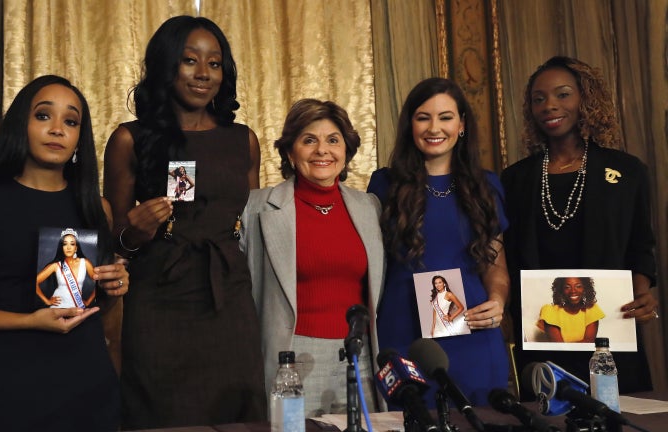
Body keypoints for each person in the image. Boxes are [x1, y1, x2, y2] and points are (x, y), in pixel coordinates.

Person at [103, 15, 266, 428]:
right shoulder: (130, 138)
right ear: (166, 65)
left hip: (229, 298)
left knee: (238, 414)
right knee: (161, 415)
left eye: (214, 63)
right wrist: (135, 231)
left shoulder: (242, 140)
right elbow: (116, 244)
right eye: (190, 60)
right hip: (159, 299)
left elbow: (247, 224)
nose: (203, 73)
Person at [0, 75, 128, 431]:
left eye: (71, 121)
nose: (57, 129)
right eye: (44, 116)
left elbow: (97, 309)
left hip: (90, 386)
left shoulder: (98, 208)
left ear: (80, 137)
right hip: (12, 385)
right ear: (21, 125)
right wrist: (27, 321)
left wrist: (115, 286)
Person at [501, 56, 658, 395]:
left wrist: (643, 292)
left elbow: (640, 246)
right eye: (538, 99)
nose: (550, 106)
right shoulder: (515, 179)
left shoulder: (627, 172)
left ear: (585, 99)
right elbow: (507, 256)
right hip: (543, 335)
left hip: (609, 332)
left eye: (563, 94)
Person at [368, 77, 510, 407]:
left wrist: (498, 300)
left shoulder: (485, 185)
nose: (435, 127)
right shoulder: (384, 184)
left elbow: (496, 264)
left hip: (474, 334)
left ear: (462, 125)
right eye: (423, 117)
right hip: (404, 335)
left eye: (445, 117)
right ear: (410, 125)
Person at [240, 99, 384, 416]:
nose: (322, 150)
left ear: (346, 150)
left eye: (333, 140)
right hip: (290, 358)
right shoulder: (256, 208)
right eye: (309, 140)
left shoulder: (370, 207)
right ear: (291, 152)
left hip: (358, 359)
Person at [36, 228, 97, 308]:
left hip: (77, 306)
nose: (68, 247)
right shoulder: (56, 265)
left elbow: (99, 283)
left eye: (72, 244)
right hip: (58, 307)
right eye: (65, 244)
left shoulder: (85, 263)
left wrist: (88, 301)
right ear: (62, 247)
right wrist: (47, 301)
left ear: (76, 248)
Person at [537, 277, 604, 343]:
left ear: (585, 288)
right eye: (567, 287)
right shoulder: (550, 311)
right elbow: (558, 347)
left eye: (578, 286)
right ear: (561, 290)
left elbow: (588, 343)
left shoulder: (591, 309)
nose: (573, 291)